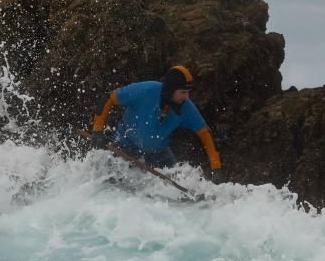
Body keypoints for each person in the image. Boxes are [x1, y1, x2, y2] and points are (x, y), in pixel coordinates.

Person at [90, 65, 225, 183]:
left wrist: (216, 168)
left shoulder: (186, 108)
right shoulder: (146, 90)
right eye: (183, 92)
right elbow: (108, 98)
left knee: (174, 185)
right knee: (109, 182)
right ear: (171, 89)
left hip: (159, 154)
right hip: (125, 144)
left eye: (188, 92)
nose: (187, 97)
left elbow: (205, 134)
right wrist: (97, 131)